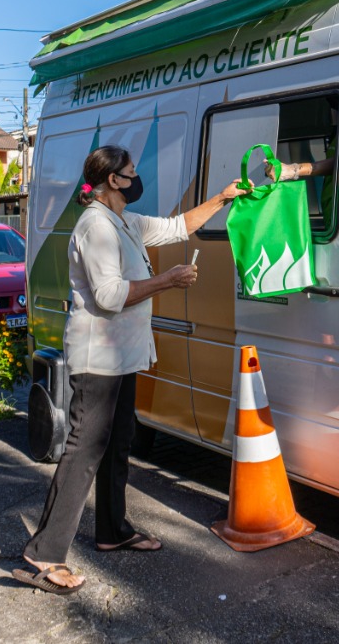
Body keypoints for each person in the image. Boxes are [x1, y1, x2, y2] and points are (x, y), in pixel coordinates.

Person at [13, 145, 244, 595]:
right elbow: (110, 296)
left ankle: (112, 530)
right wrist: (168, 280)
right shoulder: (95, 226)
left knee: (119, 442)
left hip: (122, 356)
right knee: (83, 452)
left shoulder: (126, 222)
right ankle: (43, 554)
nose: (137, 181)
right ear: (112, 181)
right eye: (131, 173)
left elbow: (178, 226)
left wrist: (223, 198)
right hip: (98, 358)